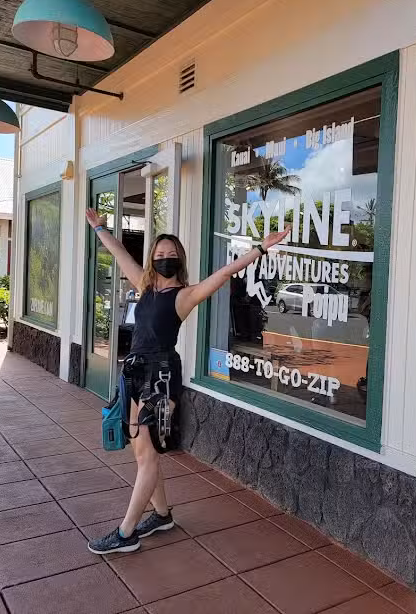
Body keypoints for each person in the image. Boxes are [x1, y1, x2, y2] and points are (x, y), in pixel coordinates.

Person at [84, 207, 289, 554]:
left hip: (161, 375)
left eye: (171, 255)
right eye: (159, 254)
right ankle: (162, 515)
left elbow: (224, 274)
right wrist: (100, 229)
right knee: (142, 450)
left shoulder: (184, 295)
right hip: (134, 371)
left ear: (179, 260)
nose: (165, 258)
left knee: (148, 454)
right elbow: (120, 254)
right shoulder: (144, 286)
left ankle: (126, 532)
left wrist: (261, 248)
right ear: (152, 258)